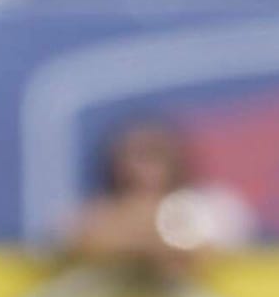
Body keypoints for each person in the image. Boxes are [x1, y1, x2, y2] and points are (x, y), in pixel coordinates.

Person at [61, 118, 254, 284]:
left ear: (176, 159)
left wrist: (148, 241)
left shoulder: (215, 205)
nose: (137, 168)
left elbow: (202, 251)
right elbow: (82, 243)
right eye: (130, 156)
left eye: (152, 154)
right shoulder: (92, 211)